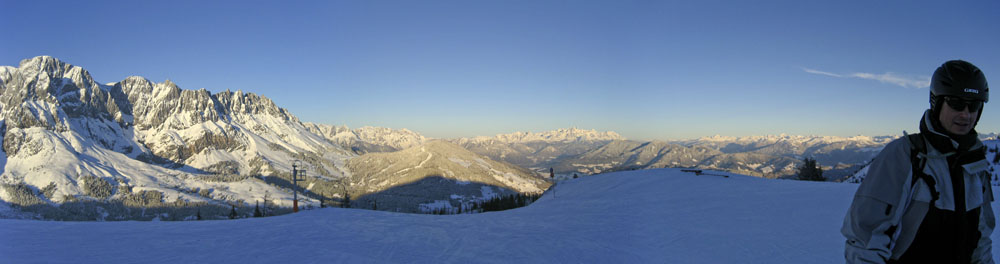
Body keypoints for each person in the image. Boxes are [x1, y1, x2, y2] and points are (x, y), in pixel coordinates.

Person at [842, 60, 993, 263]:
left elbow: (981, 240)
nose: (966, 114)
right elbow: (865, 239)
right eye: (956, 103)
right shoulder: (906, 154)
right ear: (937, 102)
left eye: (974, 105)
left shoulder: (976, 163)